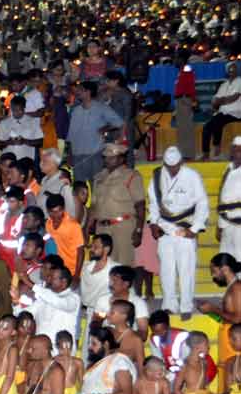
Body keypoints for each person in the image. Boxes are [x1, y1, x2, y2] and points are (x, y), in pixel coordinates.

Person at [147, 147, 209, 320]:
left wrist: (195, 228)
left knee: (186, 269)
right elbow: (153, 202)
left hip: (185, 226)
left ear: (181, 162)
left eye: (175, 166)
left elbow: (202, 202)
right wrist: (153, 222)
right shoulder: (158, 176)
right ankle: (169, 304)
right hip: (165, 227)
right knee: (166, 269)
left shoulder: (192, 176)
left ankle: (186, 305)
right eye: (168, 166)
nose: (172, 169)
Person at [88, 143, 144, 267]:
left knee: (123, 268)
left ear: (121, 158)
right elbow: (94, 205)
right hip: (102, 228)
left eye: (111, 157)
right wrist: (90, 224)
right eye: (105, 157)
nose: (107, 160)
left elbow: (140, 204)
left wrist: (139, 230)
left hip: (123, 228)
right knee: (102, 267)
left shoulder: (131, 176)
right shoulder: (99, 177)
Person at [65, 81, 122, 183]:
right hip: (77, 154)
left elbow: (118, 122)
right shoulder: (75, 110)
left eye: (80, 90)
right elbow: (71, 134)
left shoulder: (101, 108)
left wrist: (105, 128)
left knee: (97, 185)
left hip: (95, 153)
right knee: (79, 187)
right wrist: (69, 154)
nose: (77, 92)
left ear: (88, 92)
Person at [13, 266, 81, 348]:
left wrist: (30, 284)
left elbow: (56, 301)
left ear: (63, 282)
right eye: (48, 277)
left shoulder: (73, 298)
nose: (48, 280)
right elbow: (23, 315)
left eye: (52, 278)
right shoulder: (44, 298)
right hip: (40, 348)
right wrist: (16, 301)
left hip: (61, 351)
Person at [198, 253, 241, 366]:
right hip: (230, 338)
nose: (213, 275)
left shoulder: (237, 288)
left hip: (235, 341)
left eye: (214, 271)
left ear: (225, 269)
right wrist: (211, 310)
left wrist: (213, 308)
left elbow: (238, 319)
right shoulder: (232, 287)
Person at [201, 62, 241, 160]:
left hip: (236, 113)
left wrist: (220, 101)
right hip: (223, 113)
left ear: (237, 70)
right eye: (230, 69)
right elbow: (214, 101)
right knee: (207, 126)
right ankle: (206, 153)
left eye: (234, 68)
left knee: (217, 120)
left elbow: (234, 97)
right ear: (227, 71)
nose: (232, 70)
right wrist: (219, 101)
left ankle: (217, 151)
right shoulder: (224, 84)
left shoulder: (240, 81)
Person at [45, 195, 85, 282]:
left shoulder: (74, 226)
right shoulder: (48, 224)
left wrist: (77, 274)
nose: (56, 215)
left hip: (72, 271)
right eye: (52, 212)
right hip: (56, 271)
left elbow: (81, 251)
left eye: (59, 211)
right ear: (48, 211)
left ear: (63, 209)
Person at [217, 137, 241, 260]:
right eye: (235, 150)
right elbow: (223, 198)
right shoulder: (228, 168)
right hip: (227, 225)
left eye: (240, 150)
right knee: (227, 266)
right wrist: (220, 225)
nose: (237, 153)